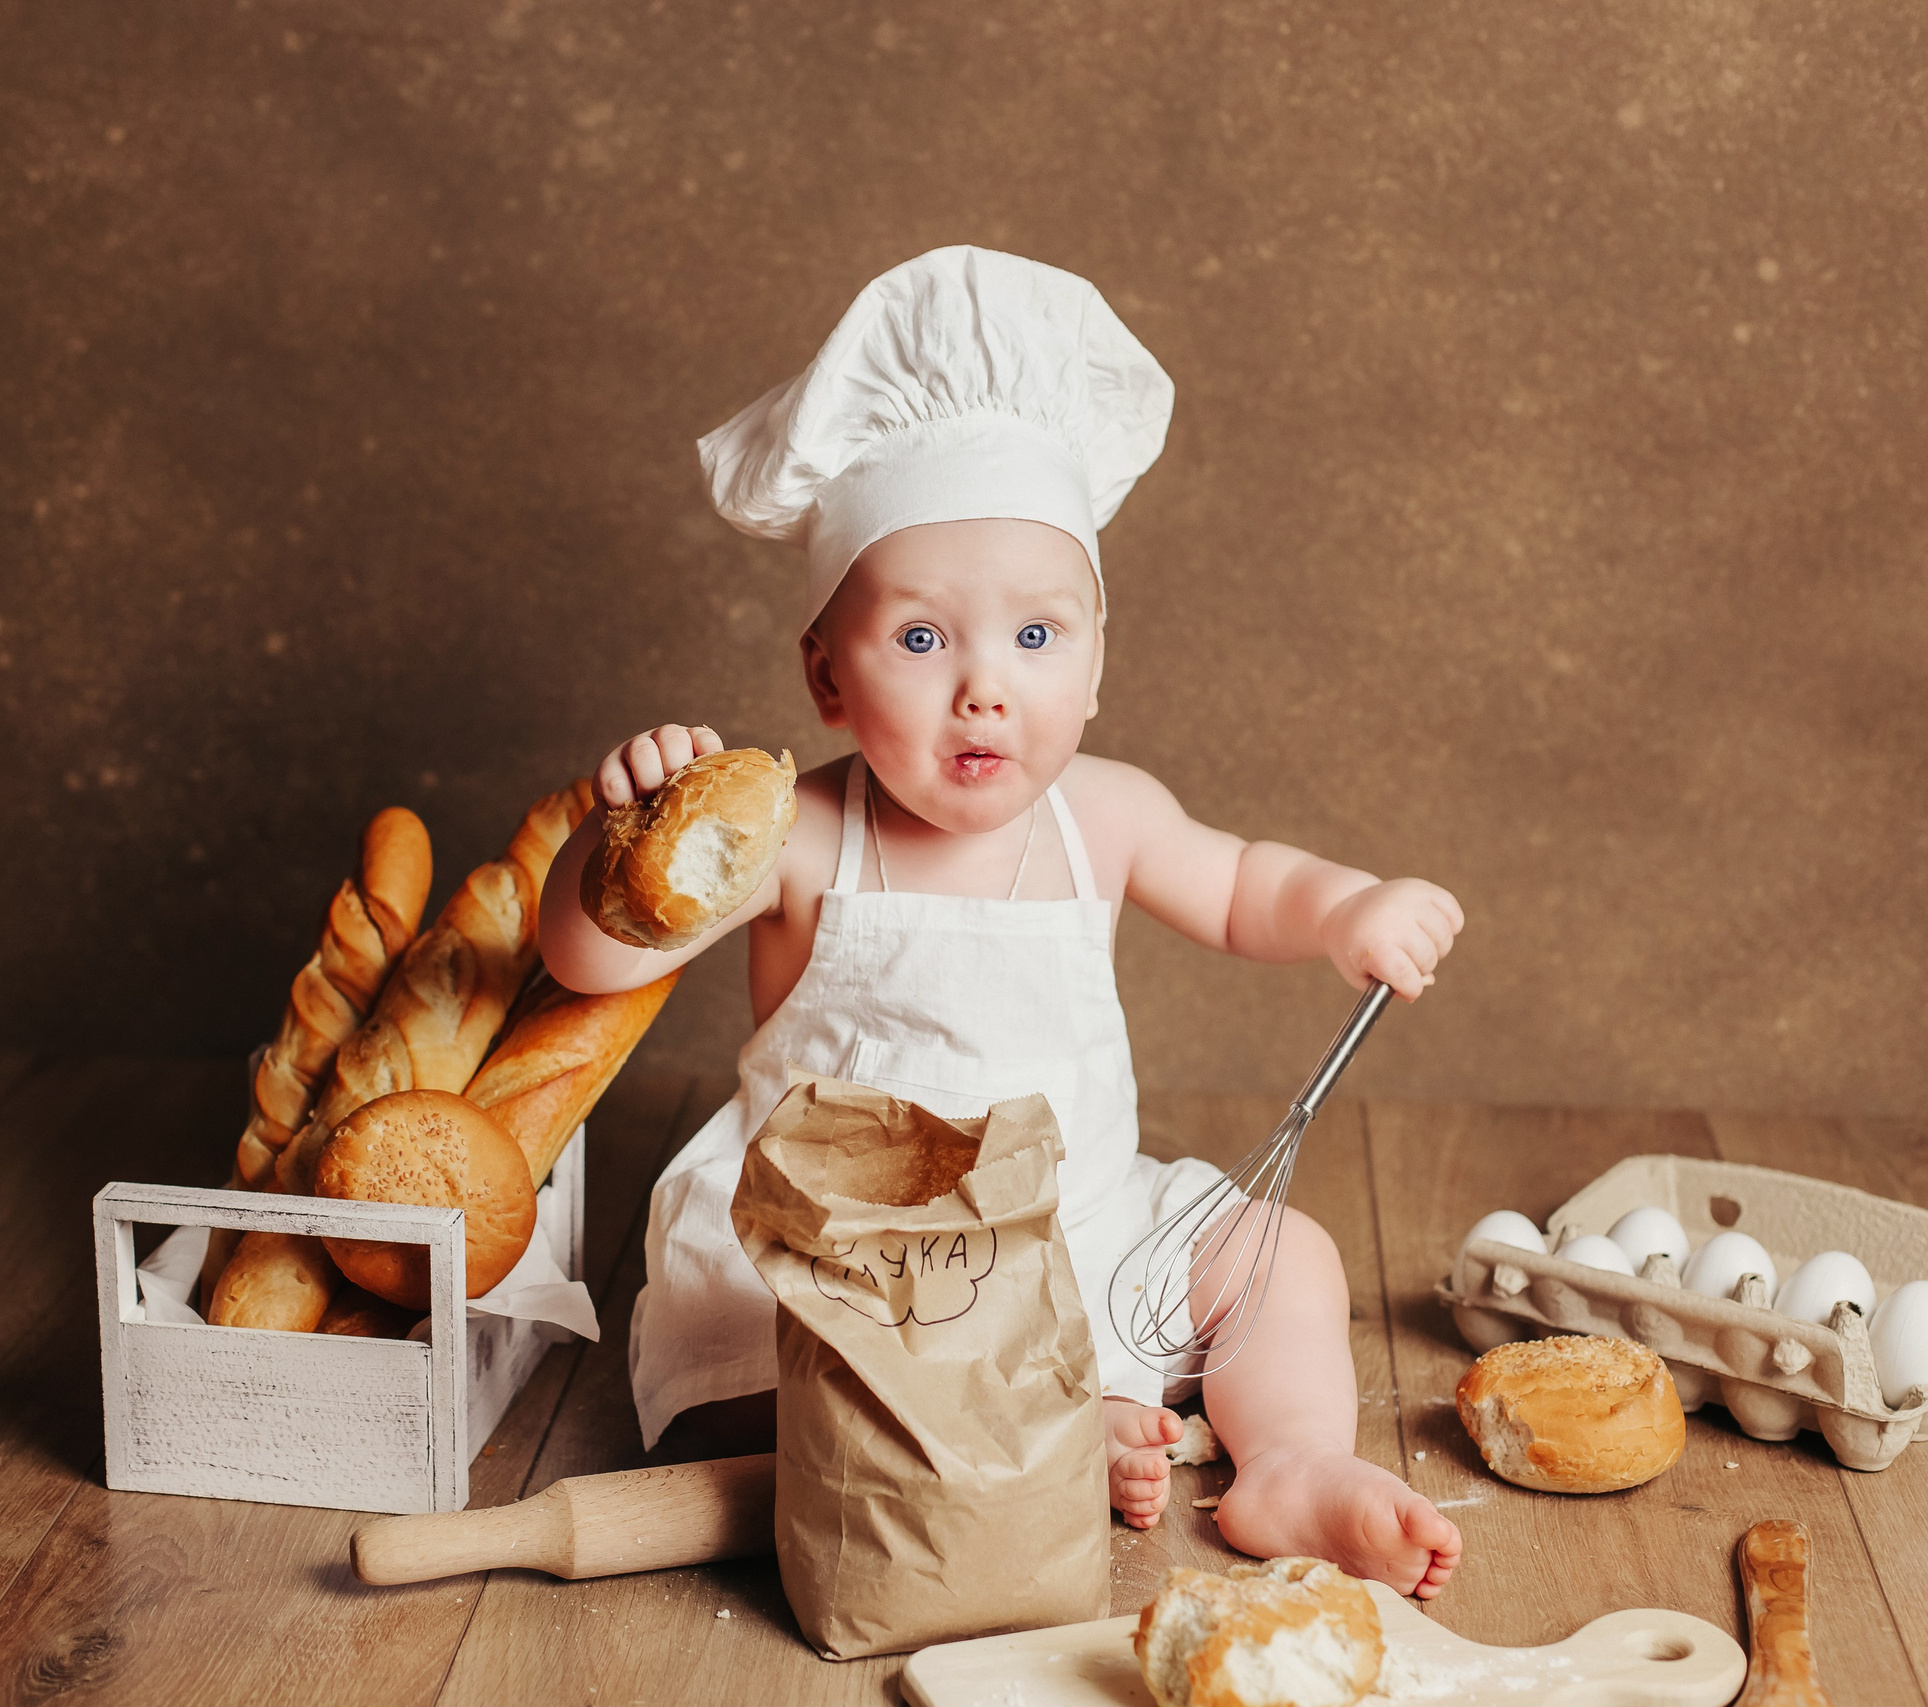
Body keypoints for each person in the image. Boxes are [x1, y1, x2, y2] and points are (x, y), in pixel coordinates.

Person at [538, 247, 1464, 1599]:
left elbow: (1246, 882)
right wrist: (617, 846)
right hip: (849, 1270)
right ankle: (1018, 1457)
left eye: (1036, 639)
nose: (985, 690)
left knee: (1279, 1256)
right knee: (759, 1375)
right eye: (922, 640)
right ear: (825, 676)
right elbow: (587, 956)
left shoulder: (1112, 811)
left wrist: (1346, 909)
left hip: (1070, 1225)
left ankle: (1291, 1463)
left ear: (1097, 660)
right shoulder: (797, 834)